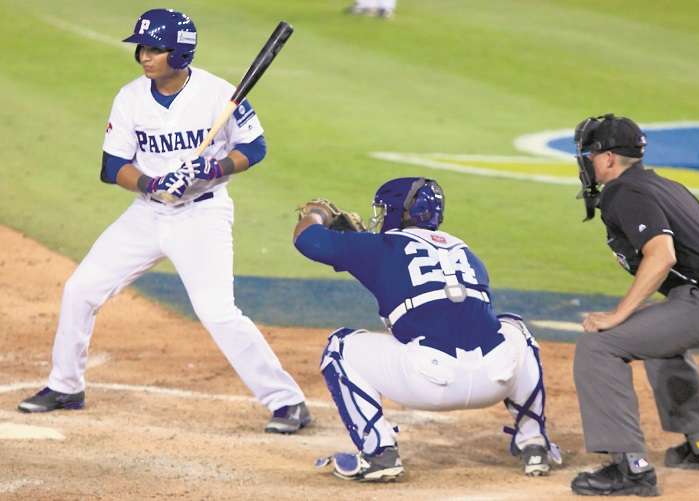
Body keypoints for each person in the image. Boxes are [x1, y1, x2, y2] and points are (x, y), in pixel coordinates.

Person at [17, 8, 311, 435]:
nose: (144, 56)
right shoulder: (130, 97)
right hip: (147, 214)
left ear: (180, 53)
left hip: (202, 215)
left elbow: (255, 147)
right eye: (142, 47)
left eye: (155, 48)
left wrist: (211, 170)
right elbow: (113, 165)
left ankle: (288, 402)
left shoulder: (218, 94)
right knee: (80, 289)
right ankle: (65, 386)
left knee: (218, 312)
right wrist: (152, 183)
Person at [293, 177, 561, 481]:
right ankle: (534, 443)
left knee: (340, 346)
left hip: (432, 382)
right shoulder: (467, 253)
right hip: (495, 379)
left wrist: (316, 213)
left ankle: (379, 453)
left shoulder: (379, 247)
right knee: (514, 328)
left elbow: (308, 240)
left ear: (398, 212)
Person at [569, 114, 699, 496]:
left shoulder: (624, 192)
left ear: (608, 158)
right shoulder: (662, 185)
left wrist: (618, 314)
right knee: (655, 339)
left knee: (599, 344)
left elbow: (663, 256)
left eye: (590, 154)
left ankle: (630, 468)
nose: (585, 162)